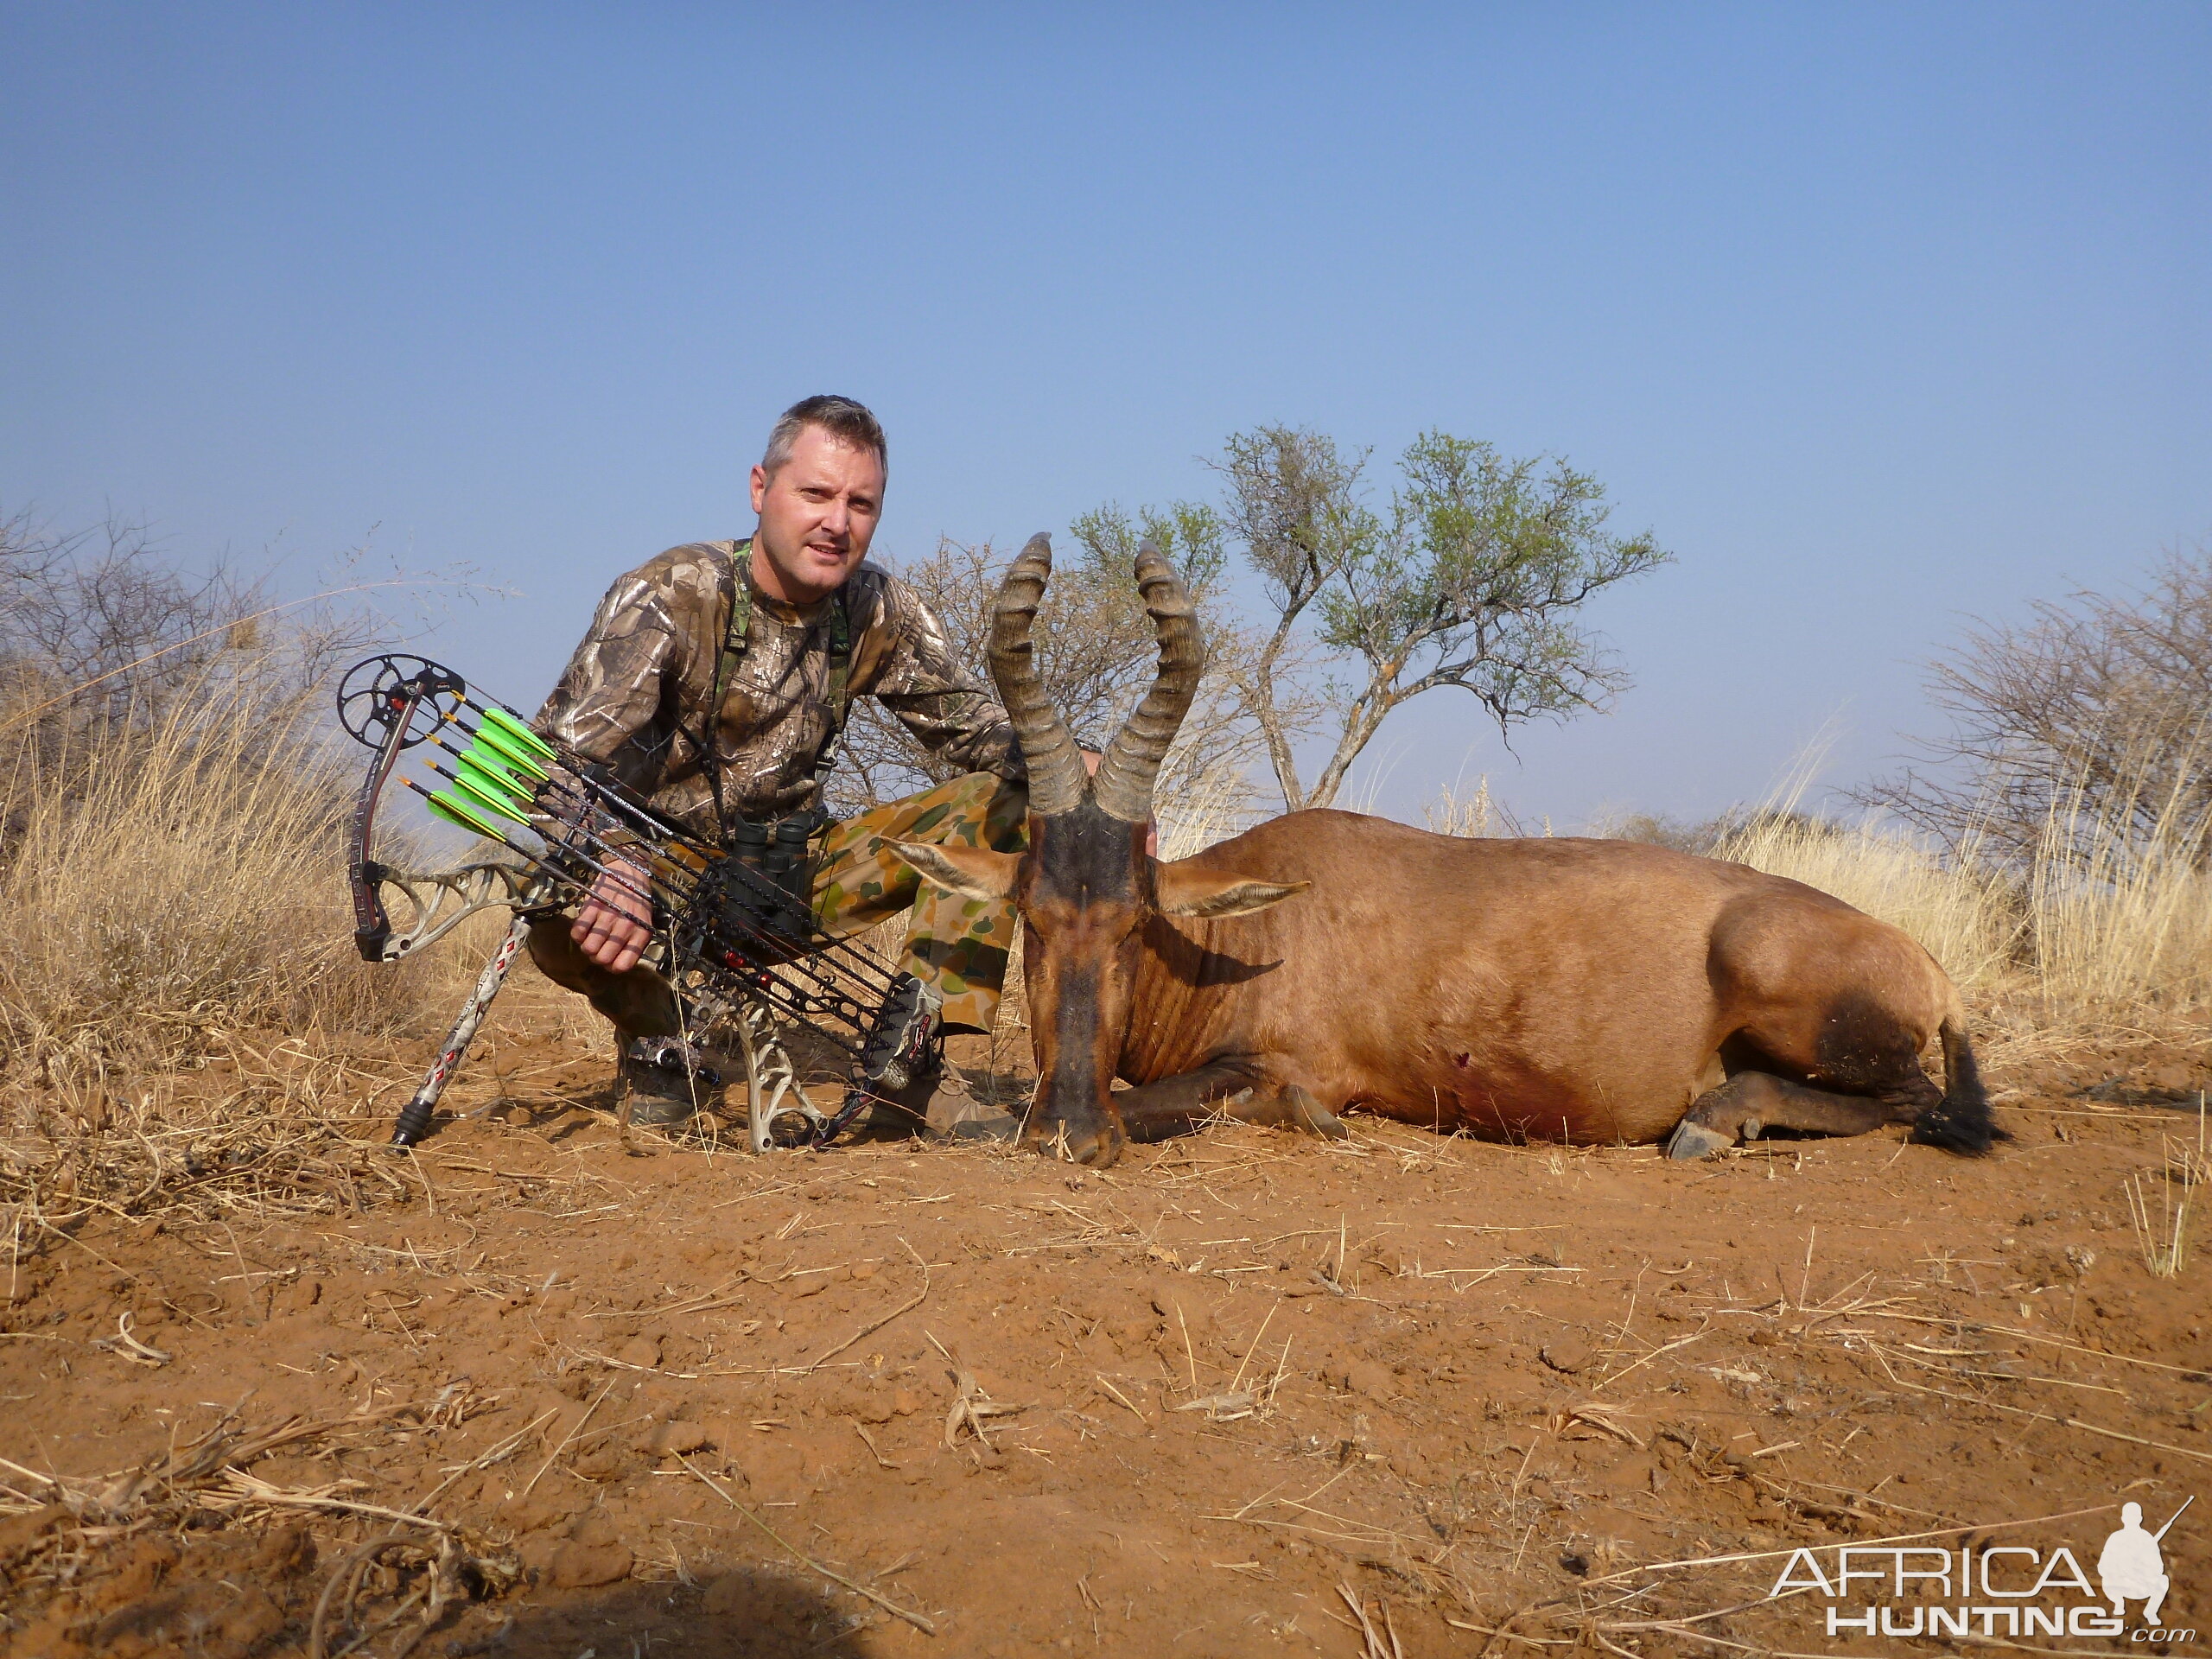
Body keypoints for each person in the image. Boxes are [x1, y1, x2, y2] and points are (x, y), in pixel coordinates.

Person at [527, 395, 1028, 1130]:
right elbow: (553, 768)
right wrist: (617, 861)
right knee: (551, 893)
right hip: (657, 888)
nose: (838, 522)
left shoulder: (876, 605)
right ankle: (656, 1039)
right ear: (761, 489)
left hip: (786, 882)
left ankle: (919, 1070)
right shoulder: (671, 592)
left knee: (1002, 800)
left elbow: (973, 728)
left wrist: (1079, 769)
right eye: (816, 493)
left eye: (862, 503)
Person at [2097, 1501, 2171, 1625]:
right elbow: (2103, 1566)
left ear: (2123, 1518)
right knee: (2163, 1580)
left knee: (2163, 1580)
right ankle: (2119, 1603)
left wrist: (2140, 1568)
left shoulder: (2145, 1539)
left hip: (2138, 1586)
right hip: (2120, 1585)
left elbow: (2158, 1568)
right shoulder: (2118, 1538)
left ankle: (2150, 1611)